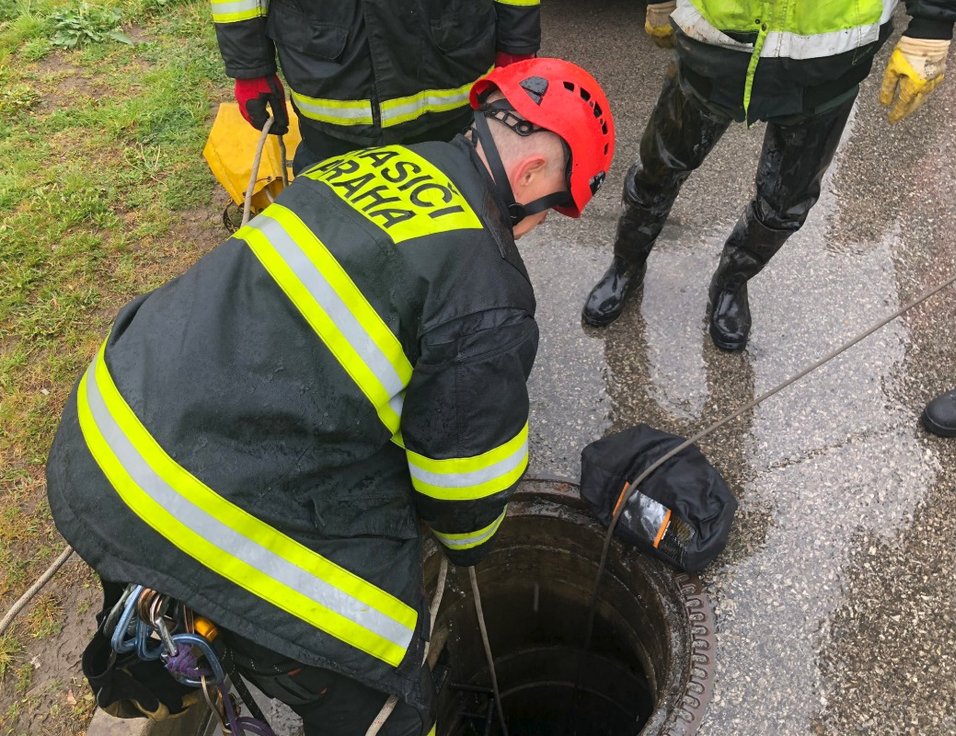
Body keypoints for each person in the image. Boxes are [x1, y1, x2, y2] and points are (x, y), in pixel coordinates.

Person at [46, 58, 614, 735]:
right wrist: (470, 550)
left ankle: (175, 628)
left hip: (104, 429)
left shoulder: (370, 167)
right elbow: (463, 496)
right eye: (552, 208)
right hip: (190, 504)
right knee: (388, 692)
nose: (538, 227)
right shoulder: (485, 291)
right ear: (528, 179)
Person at [582, 0, 956, 351]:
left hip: (829, 57)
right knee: (659, 168)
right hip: (715, 44)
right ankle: (626, 263)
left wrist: (932, 26)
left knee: (784, 203)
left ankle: (732, 281)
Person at [212, 0, 541, 173]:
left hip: (450, 76)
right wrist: (250, 67)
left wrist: (517, 42)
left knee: (457, 232)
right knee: (337, 237)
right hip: (335, 88)